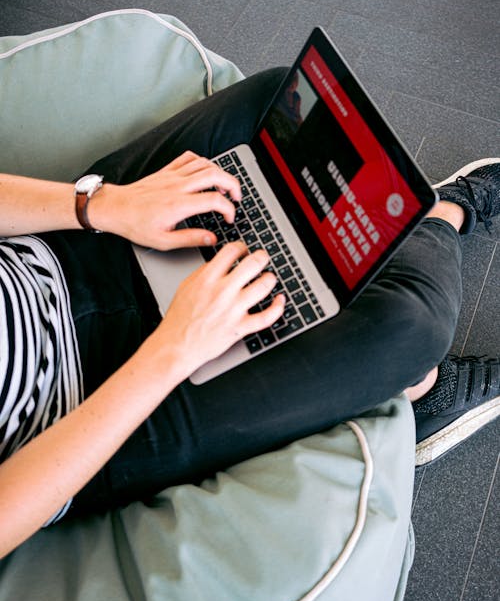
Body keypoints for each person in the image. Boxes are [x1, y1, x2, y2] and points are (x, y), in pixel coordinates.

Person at [0, 69, 498, 559]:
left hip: (60, 251)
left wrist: (104, 205)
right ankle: (442, 220)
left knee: (285, 102)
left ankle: (391, 339)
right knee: (412, 320)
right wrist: (173, 350)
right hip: (88, 415)